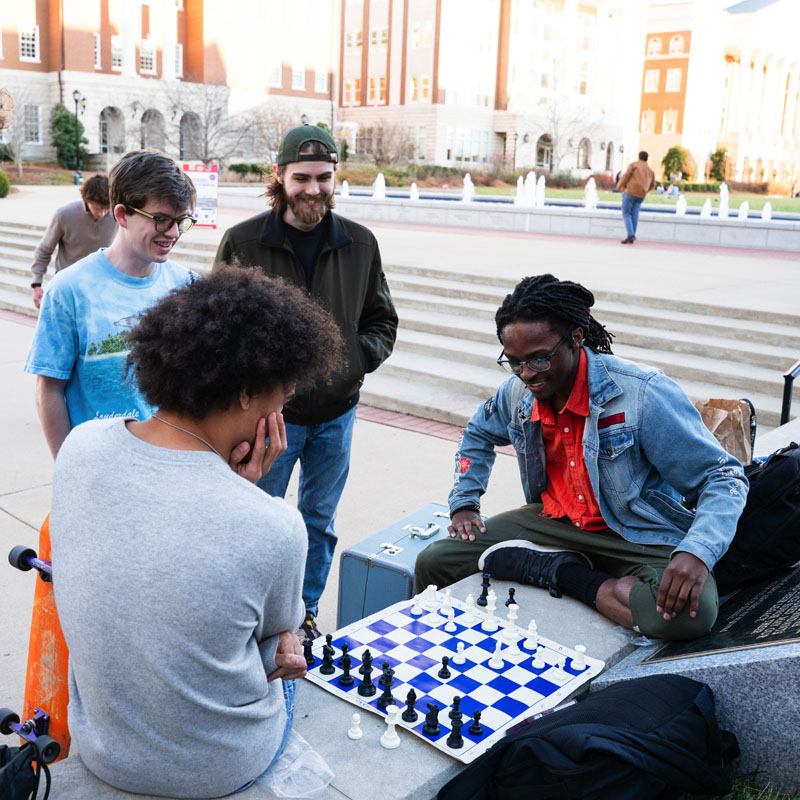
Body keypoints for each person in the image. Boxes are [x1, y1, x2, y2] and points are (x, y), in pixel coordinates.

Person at [50, 266, 344, 797]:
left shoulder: (81, 446)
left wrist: (229, 490)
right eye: (285, 391)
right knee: (288, 653)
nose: (286, 404)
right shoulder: (274, 525)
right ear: (248, 393)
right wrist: (249, 494)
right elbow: (276, 640)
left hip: (100, 749)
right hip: (218, 768)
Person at [414, 274, 748, 641]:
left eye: (539, 359)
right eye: (514, 362)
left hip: (637, 531)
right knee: (434, 562)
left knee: (690, 617)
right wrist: (465, 502)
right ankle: (466, 641)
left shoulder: (642, 394)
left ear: (576, 337)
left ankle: (562, 572)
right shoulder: (518, 393)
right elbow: (477, 432)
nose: (527, 375)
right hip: (554, 521)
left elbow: (723, 477)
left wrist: (697, 552)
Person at [215, 124, 398, 639]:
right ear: (279, 175)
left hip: (338, 416)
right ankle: (253, 616)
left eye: (324, 177)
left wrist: (355, 362)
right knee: (259, 519)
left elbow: (383, 321)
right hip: (270, 420)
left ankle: (304, 612)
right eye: (302, 177)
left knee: (318, 521)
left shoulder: (360, 243)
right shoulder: (243, 242)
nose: (314, 188)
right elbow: (218, 330)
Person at [24, 149, 198, 459]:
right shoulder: (69, 290)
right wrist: (69, 467)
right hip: (98, 466)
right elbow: (49, 389)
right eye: (160, 220)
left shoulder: (188, 286)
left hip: (171, 466)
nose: (172, 233)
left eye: (181, 221)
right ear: (121, 214)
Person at [30, 175, 117, 309]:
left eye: (106, 209)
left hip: (100, 285)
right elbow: (44, 249)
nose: (102, 214)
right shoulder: (64, 214)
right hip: (67, 286)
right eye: (97, 208)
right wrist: (36, 284)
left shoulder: (115, 217)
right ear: (86, 200)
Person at [616, 151, 655, 244]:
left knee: (626, 213)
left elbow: (625, 176)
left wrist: (619, 187)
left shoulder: (634, 165)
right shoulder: (650, 171)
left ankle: (630, 235)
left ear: (639, 157)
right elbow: (653, 185)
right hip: (641, 195)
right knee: (635, 214)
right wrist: (645, 190)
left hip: (630, 192)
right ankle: (632, 234)